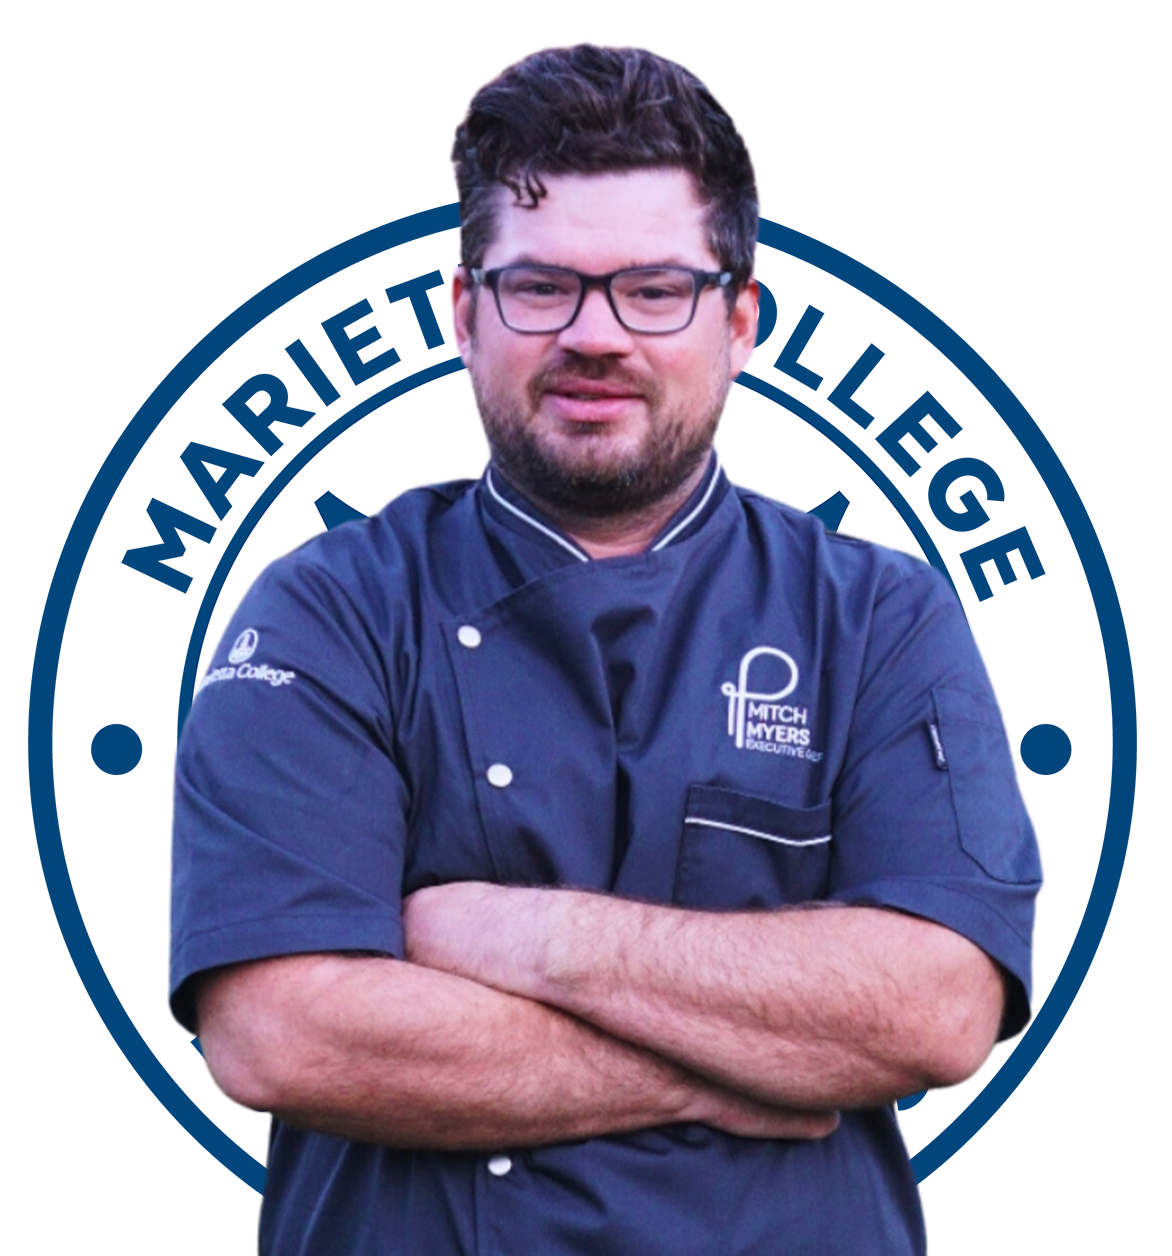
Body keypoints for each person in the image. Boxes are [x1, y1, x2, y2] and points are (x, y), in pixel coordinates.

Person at [171, 42, 1041, 1256]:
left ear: (738, 319)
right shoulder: (327, 612)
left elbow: (934, 1006)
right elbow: (281, 1032)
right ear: (466, 314)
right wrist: (730, 1065)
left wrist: (515, 936)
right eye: (540, 288)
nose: (595, 335)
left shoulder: (877, 617)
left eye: (653, 289)